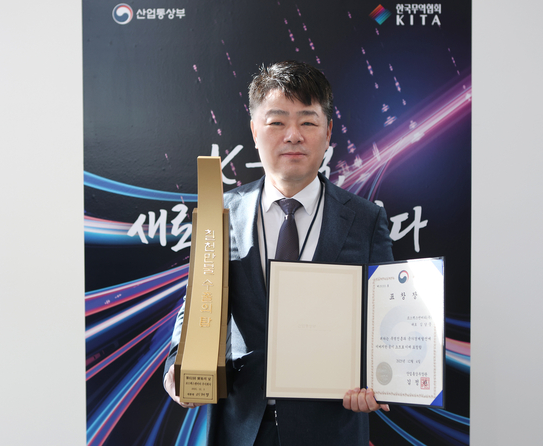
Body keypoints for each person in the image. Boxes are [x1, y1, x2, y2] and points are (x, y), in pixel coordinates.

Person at [164, 60, 394, 445]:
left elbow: (384, 320)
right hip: (241, 427)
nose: (293, 136)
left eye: (308, 122)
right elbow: (197, 302)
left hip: (331, 428)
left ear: (328, 132)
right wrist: (178, 365)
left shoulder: (366, 219)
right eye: (276, 122)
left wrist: (377, 381)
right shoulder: (220, 214)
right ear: (255, 130)